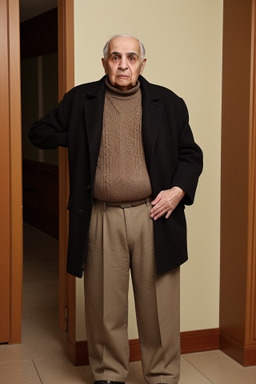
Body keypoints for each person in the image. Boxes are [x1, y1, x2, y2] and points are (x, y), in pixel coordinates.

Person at [29, 34, 203, 384]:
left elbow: (190, 154)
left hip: (154, 216)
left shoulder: (168, 103)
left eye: (131, 57)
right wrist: (76, 133)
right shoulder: (81, 101)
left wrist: (177, 191)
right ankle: (109, 374)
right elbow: (40, 133)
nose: (123, 64)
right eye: (115, 57)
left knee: (159, 307)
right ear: (104, 62)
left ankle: (163, 374)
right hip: (101, 216)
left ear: (142, 63)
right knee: (105, 304)